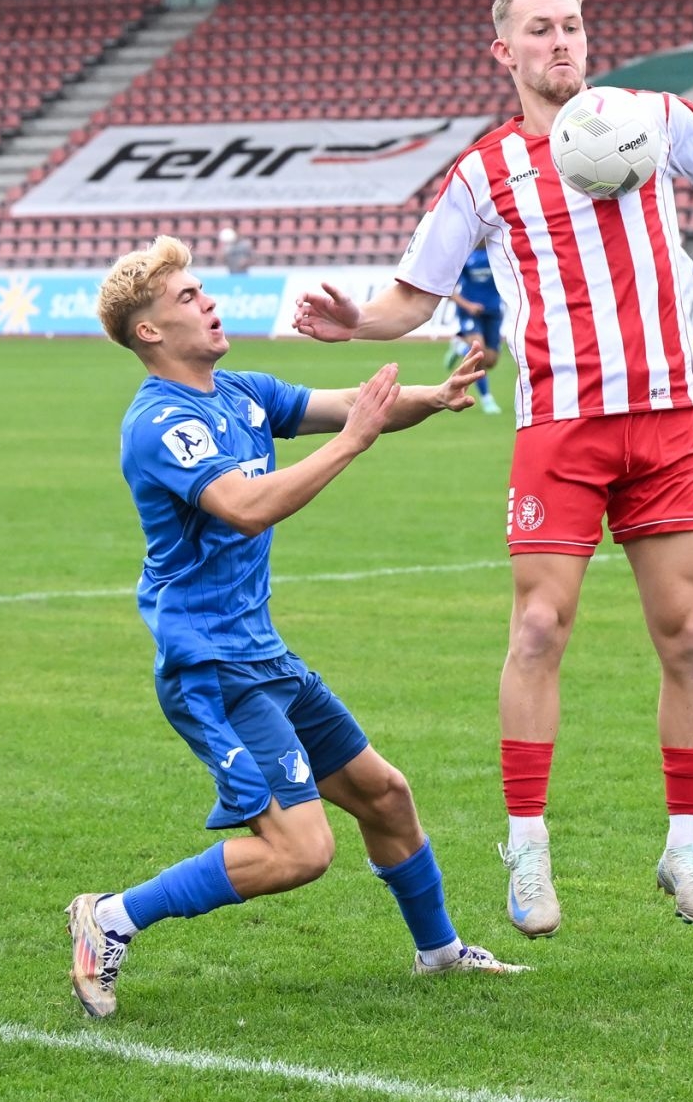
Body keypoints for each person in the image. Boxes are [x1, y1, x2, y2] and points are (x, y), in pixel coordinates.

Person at [295, 0, 693, 937]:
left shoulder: (655, 120)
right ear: (504, 53)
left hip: (667, 417)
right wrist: (356, 322)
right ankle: (528, 847)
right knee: (540, 628)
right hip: (561, 425)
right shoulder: (484, 172)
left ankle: (686, 846)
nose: (562, 42)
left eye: (573, 26)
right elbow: (415, 296)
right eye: (540, 30)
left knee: (691, 636)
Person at [66, 234, 522, 1020]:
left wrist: (433, 396)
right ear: (149, 330)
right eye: (188, 297)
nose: (209, 302)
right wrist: (353, 443)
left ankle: (441, 953)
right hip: (211, 669)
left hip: (261, 655)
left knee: (386, 796)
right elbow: (245, 508)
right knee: (302, 851)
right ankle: (110, 917)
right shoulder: (161, 422)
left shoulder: (241, 393)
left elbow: (352, 404)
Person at [446, 244, 502, 415]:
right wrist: (468, 306)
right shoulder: (465, 256)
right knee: (479, 353)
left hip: (493, 312)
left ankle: (460, 347)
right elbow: (448, 290)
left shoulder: (498, 253)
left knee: (490, 361)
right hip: (470, 313)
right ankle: (487, 399)